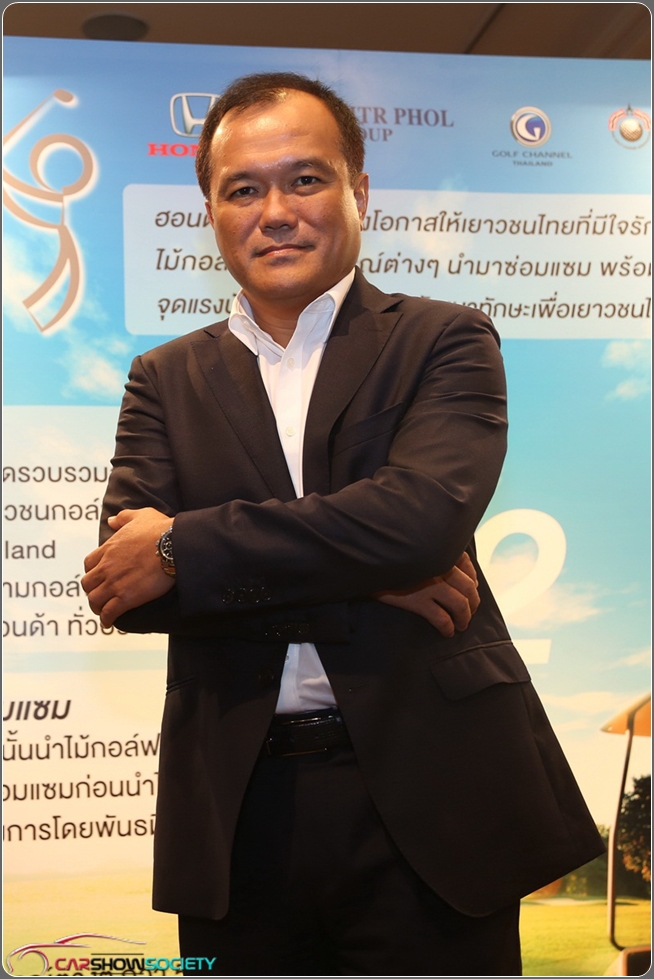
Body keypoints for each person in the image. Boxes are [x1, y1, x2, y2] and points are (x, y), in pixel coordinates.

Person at [82, 72, 604, 976]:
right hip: (240, 812)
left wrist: (184, 545)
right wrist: (372, 576)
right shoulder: (162, 379)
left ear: (359, 191)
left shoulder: (444, 339)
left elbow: (417, 523)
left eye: (305, 180)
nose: (275, 212)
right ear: (210, 212)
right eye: (243, 189)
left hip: (435, 799)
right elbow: (127, 588)